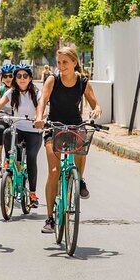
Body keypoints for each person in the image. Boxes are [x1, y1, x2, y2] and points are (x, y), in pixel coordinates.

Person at [34, 46, 103, 234]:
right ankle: (50, 218)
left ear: (74, 62)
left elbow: (95, 103)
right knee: (54, 171)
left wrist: (96, 109)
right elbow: (43, 101)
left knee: (82, 148)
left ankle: (79, 180)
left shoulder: (83, 82)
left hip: (75, 125)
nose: (61, 66)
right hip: (54, 126)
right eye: (59, 62)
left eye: (65, 62)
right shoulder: (52, 80)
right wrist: (39, 117)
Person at [0, 63, 43, 208]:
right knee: (6, 132)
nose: (22, 78)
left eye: (25, 76)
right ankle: (8, 162)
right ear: (15, 79)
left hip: (33, 131)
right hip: (18, 129)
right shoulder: (12, 92)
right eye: (19, 76)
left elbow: (41, 108)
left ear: (30, 78)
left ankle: (32, 193)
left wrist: (39, 118)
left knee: (31, 157)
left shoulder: (37, 92)